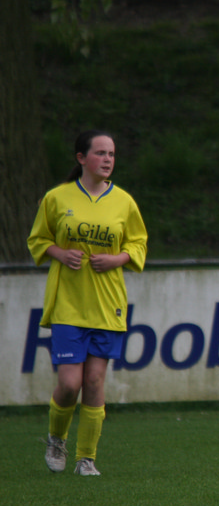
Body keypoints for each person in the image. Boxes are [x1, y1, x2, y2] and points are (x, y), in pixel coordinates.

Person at [28, 130, 148, 476]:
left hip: (107, 304)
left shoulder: (124, 201)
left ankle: (86, 459)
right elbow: (38, 239)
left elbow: (138, 243)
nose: (107, 159)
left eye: (111, 154)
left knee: (94, 381)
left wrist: (118, 259)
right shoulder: (57, 198)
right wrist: (59, 253)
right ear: (81, 158)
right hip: (68, 303)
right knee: (70, 384)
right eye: (100, 153)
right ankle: (56, 439)